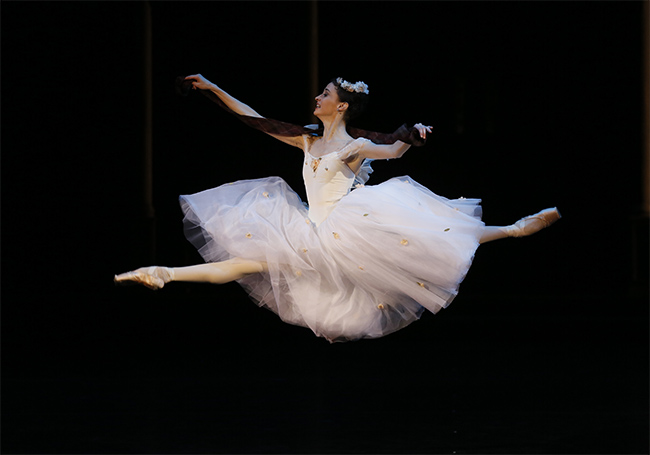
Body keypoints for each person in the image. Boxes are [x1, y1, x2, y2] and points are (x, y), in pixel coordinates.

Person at [115, 74, 561, 343]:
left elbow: (393, 150)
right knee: (244, 262)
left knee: (433, 231)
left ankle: (513, 230)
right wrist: (214, 89)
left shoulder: (356, 145)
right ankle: (164, 274)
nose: (317, 97)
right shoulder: (307, 137)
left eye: (324, 93)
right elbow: (253, 118)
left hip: (345, 225)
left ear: (341, 104)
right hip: (308, 229)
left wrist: (412, 133)